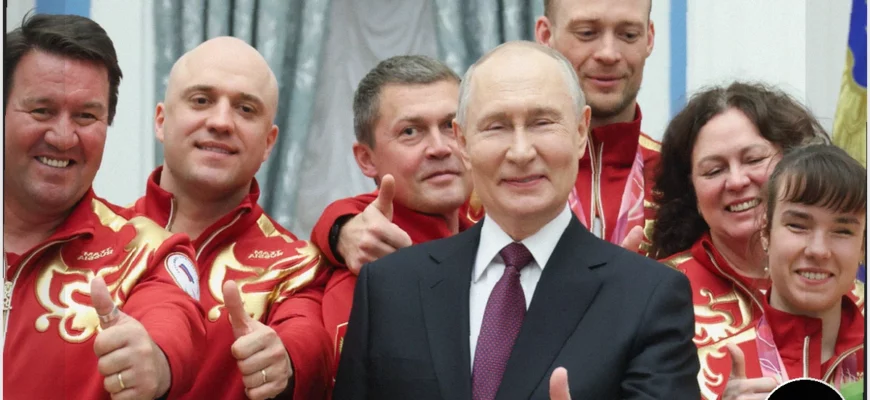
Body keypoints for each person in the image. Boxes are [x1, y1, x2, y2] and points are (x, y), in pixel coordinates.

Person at [333, 41, 699, 400]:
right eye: (496, 126)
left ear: (579, 132)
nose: (521, 152)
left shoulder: (647, 296)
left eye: (542, 123)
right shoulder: (390, 286)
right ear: (463, 141)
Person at [3, 13, 206, 399]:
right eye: (42, 110)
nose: (63, 137)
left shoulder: (149, 253)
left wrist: (154, 361)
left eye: (86, 116)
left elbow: (172, 324)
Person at [124, 36, 332, 399]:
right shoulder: (96, 241)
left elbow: (309, 338)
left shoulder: (298, 266)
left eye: (245, 109)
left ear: (268, 143)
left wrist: (284, 361)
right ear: (161, 120)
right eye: (201, 101)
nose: (221, 122)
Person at [650, 82, 863, 400]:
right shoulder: (655, 296)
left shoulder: (856, 300)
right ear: (691, 192)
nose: (737, 181)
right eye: (714, 170)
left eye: (753, 160)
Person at [309, 55, 474, 377]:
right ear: (366, 159)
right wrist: (339, 229)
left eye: (450, 126)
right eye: (410, 131)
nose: (440, 147)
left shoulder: (499, 239)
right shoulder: (363, 276)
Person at [723, 144, 865, 398]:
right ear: (766, 233)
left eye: (843, 231)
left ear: (863, 248)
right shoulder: (701, 365)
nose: (818, 250)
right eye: (798, 225)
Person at [535, 0, 659, 249]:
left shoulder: (684, 177)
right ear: (546, 36)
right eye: (587, 33)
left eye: (628, 34)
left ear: (648, 38)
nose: (608, 54)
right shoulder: (492, 180)